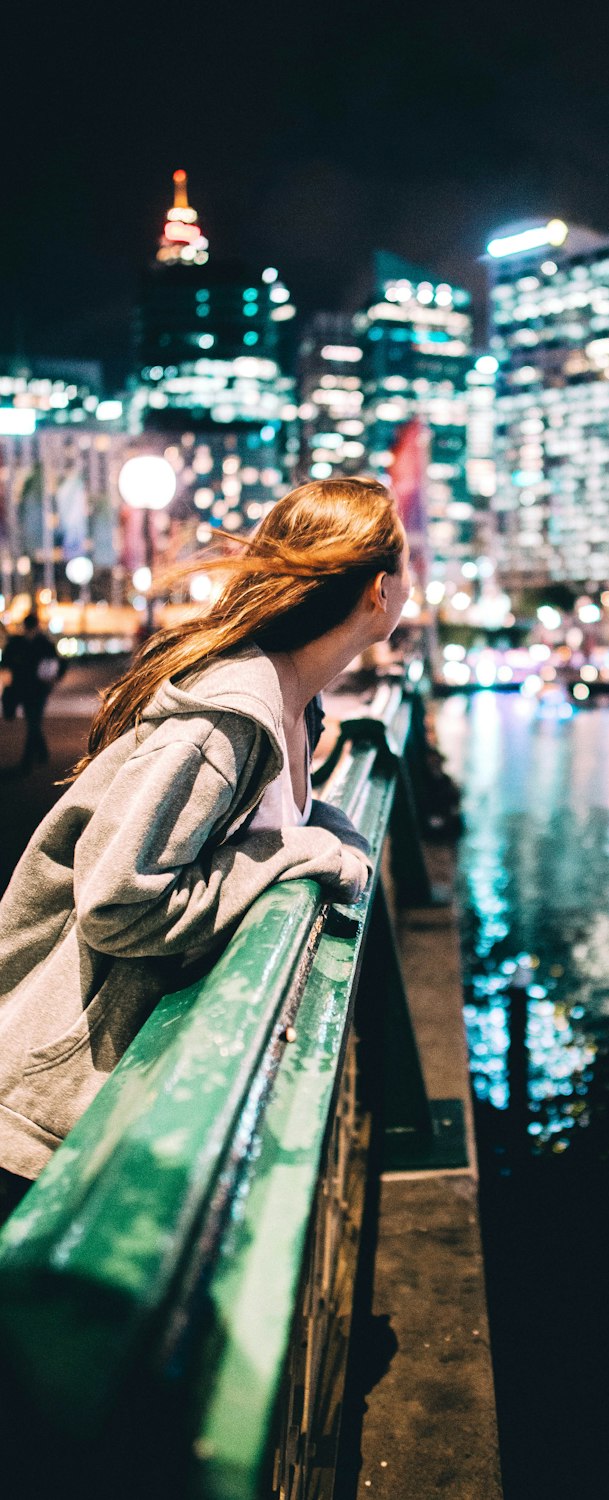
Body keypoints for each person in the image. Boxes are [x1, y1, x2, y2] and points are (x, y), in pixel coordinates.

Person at [0, 477, 411, 1216]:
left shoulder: (293, 697)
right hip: (42, 1109)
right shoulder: (228, 717)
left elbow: (276, 822)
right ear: (380, 592)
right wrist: (300, 856)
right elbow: (119, 904)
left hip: (107, 1093)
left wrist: (329, 832)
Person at [1, 610, 63, 772]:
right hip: (36, 689)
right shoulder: (44, 643)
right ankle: (42, 752)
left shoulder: (17, 643)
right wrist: (54, 679)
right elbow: (60, 664)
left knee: (33, 721)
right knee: (33, 720)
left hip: (30, 689)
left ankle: (27, 760)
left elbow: (5, 662)